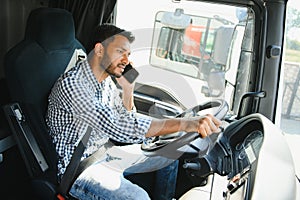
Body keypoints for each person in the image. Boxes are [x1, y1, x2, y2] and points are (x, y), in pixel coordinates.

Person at [46, 23, 221, 200]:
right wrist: (185, 124)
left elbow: (124, 118)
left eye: (128, 55)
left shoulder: (105, 81)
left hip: (106, 152)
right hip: (79, 169)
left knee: (169, 156)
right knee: (138, 197)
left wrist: (128, 89)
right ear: (99, 50)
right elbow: (121, 128)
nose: (126, 61)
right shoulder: (73, 86)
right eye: (120, 52)